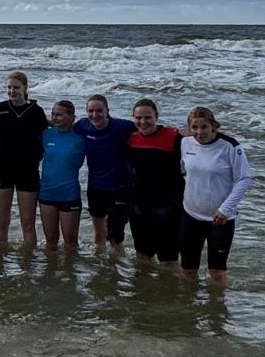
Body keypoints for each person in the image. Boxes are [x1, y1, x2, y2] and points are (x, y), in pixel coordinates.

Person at [179, 106, 252, 287]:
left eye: (204, 127)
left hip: (220, 219)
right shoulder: (185, 143)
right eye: (194, 127)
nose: (199, 132)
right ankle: (188, 302)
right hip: (191, 214)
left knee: (217, 272)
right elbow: (183, 170)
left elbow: (243, 179)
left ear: (213, 126)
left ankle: (217, 304)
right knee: (188, 270)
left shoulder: (230, 146)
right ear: (189, 128)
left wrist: (225, 209)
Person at [0, 71, 47, 250]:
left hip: (28, 171)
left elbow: (45, 138)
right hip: (3, 168)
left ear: (25, 88)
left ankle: (28, 261)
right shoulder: (0, 108)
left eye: (16, 87)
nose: (12, 91)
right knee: (2, 220)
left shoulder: (36, 111)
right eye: (9, 87)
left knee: (28, 222)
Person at [127, 98, 183, 268]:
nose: (143, 122)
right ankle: (145, 285)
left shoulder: (173, 137)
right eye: (138, 118)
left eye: (148, 117)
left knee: (168, 259)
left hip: (168, 205)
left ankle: (170, 286)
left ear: (156, 117)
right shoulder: (131, 139)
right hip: (140, 204)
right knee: (142, 256)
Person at [75, 94, 135, 253]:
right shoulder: (82, 125)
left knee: (115, 237)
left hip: (121, 187)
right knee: (99, 235)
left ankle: (116, 265)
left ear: (108, 111)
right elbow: (63, 124)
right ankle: (100, 265)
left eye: (99, 110)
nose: (95, 115)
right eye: (90, 111)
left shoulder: (123, 127)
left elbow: (148, 130)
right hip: (95, 186)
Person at [38, 100, 86, 249]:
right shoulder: (46, 135)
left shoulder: (81, 138)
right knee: (51, 240)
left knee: (71, 244)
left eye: (59, 114)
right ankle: (50, 265)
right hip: (46, 193)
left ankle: (70, 266)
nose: (55, 117)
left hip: (69, 194)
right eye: (53, 114)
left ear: (72, 117)